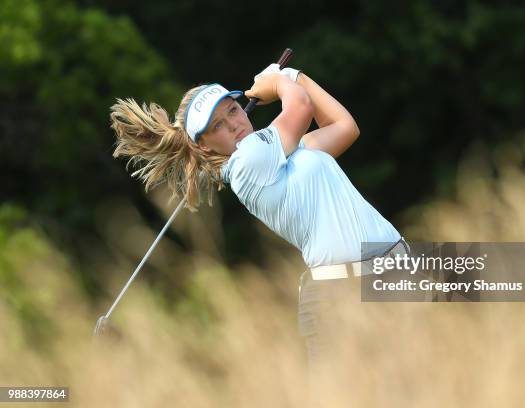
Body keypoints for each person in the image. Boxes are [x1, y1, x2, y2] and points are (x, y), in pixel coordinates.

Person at [109, 65, 409, 373]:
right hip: (345, 289)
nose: (234, 124)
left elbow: (343, 126)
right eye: (217, 125)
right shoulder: (246, 162)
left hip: (397, 267)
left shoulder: (286, 154)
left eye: (233, 110)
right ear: (203, 145)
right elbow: (301, 106)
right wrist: (279, 82)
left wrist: (296, 77)